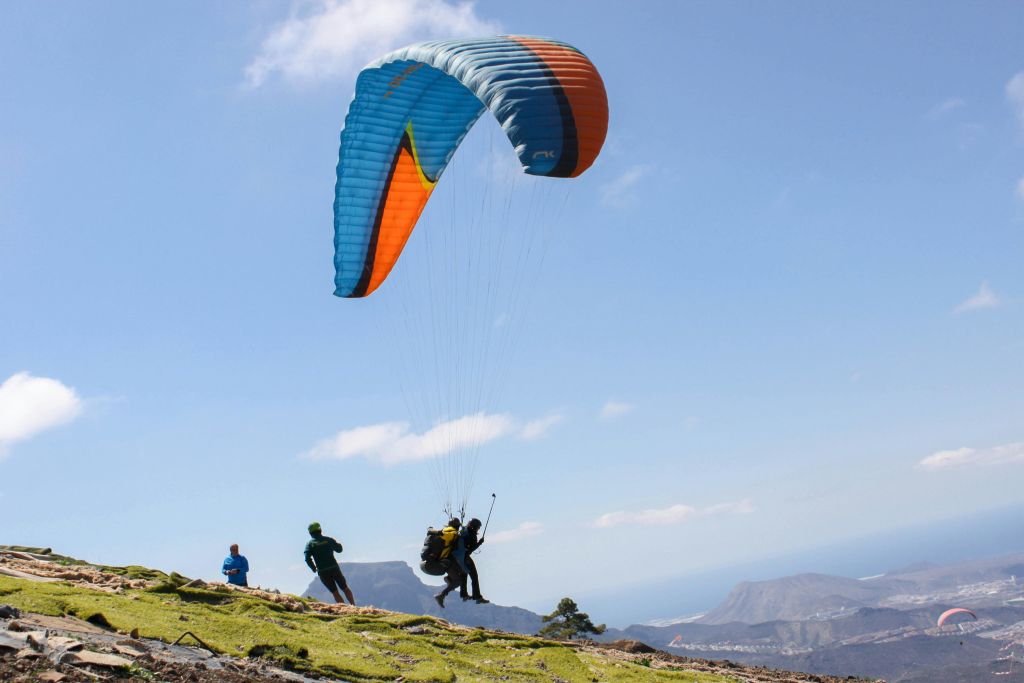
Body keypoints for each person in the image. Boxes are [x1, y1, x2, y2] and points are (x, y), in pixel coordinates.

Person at [304, 522, 355, 605]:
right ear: (320, 530)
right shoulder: (328, 540)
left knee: (335, 592)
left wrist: (314, 568)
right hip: (334, 568)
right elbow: (339, 550)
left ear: (310, 533)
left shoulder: (310, 544)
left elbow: (307, 558)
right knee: (345, 588)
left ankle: (346, 610)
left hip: (323, 571)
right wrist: (338, 545)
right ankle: (353, 606)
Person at [433, 517, 464, 609]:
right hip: (444, 560)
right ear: (457, 526)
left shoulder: (445, 530)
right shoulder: (452, 533)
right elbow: (445, 536)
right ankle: (441, 595)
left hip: (442, 559)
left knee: (459, 571)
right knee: (458, 581)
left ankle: (449, 579)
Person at [456, 518, 489, 604]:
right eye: (478, 527)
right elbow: (471, 549)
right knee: (474, 576)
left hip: (458, 557)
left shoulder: (464, 531)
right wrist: (480, 542)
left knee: (464, 574)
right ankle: (477, 597)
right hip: (465, 557)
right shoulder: (472, 535)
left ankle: (464, 595)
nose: (478, 529)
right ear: (475, 527)